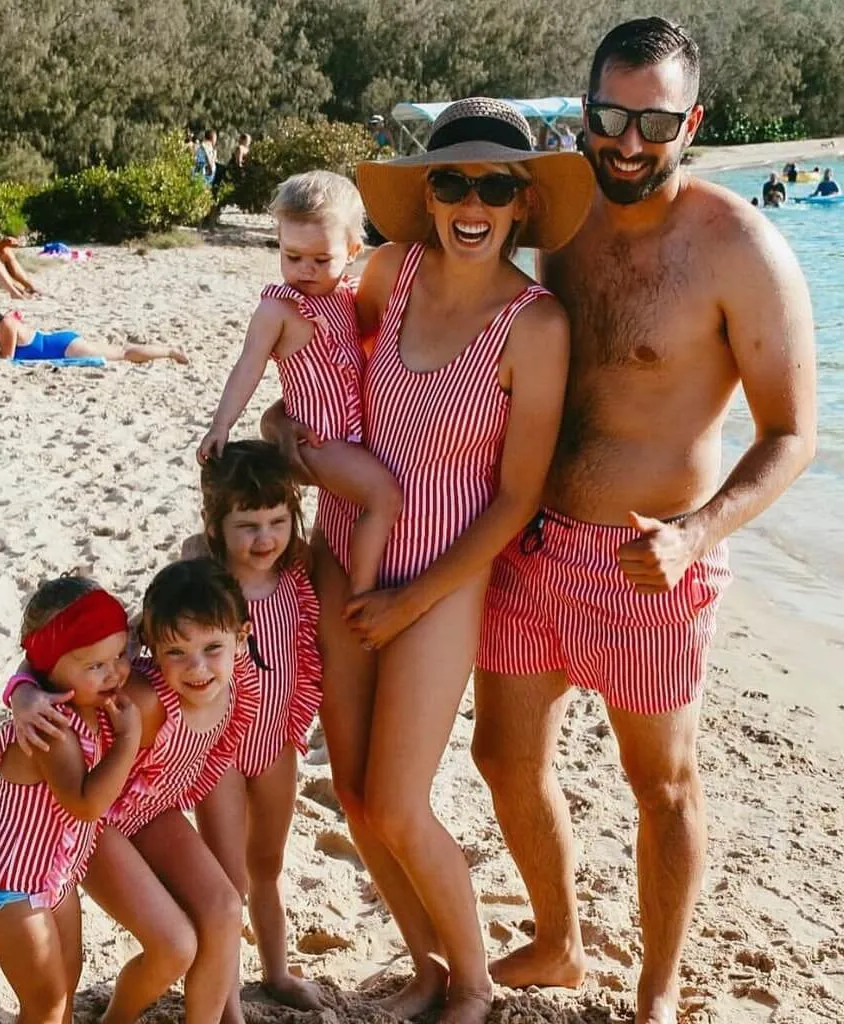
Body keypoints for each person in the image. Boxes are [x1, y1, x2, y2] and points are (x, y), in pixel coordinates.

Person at [472, 18, 816, 1024]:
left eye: (653, 121)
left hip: (649, 560)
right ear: (585, 110)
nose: (628, 140)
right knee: (502, 757)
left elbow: (793, 433)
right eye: (611, 115)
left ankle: (657, 990)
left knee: (658, 782)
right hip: (528, 541)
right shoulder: (548, 217)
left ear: (690, 121)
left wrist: (698, 532)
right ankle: (558, 939)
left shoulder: (737, 249)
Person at [263, 97, 594, 1024]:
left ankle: (478, 985)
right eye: (453, 181)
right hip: (342, 551)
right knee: (357, 798)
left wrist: (413, 601)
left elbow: (519, 497)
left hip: (447, 577)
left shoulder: (537, 324)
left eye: (495, 184)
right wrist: (282, 429)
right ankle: (425, 968)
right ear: (429, 194)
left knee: (402, 803)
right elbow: (323, 375)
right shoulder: (387, 272)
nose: (472, 201)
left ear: (522, 201)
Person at [6, 559, 261, 1023]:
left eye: (211, 648)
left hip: (152, 812)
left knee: (225, 906)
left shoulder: (238, 683)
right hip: (98, 823)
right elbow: (58, 658)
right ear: (149, 643)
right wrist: (22, 690)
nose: (197, 667)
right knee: (173, 944)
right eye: (177, 652)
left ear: (240, 639)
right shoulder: (140, 696)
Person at [197, 170, 403, 596]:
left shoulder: (349, 298)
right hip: (320, 441)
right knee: (385, 497)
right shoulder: (279, 309)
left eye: (321, 259)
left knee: (336, 516)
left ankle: (322, 577)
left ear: (352, 250)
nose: (305, 270)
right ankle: (362, 593)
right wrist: (221, 425)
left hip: (355, 437)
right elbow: (247, 366)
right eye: (292, 256)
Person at [185, 441, 324, 1021]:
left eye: (276, 522)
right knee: (228, 876)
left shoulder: (298, 570)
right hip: (217, 750)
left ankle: (277, 969)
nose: (264, 538)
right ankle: (230, 1001)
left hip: (276, 742)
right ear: (216, 525)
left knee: (267, 864)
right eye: (246, 525)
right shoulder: (204, 575)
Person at [0, 576, 142, 1023]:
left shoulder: (90, 697)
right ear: (49, 668)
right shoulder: (52, 728)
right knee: (44, 1002)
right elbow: (85, 804)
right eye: (94, 666)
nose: (114, 672)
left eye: (118, 656)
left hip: (54, 878)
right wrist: (128, 741)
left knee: (66, 982)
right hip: (11, 886)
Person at [0, 303, 188, 364]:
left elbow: (7, 358)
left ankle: (170, 351)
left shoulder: (6, 325)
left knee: (124, 354)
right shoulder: (0, 327)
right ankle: (168, 351)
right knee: (121, 352)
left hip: (64, 348)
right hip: (61, 343)